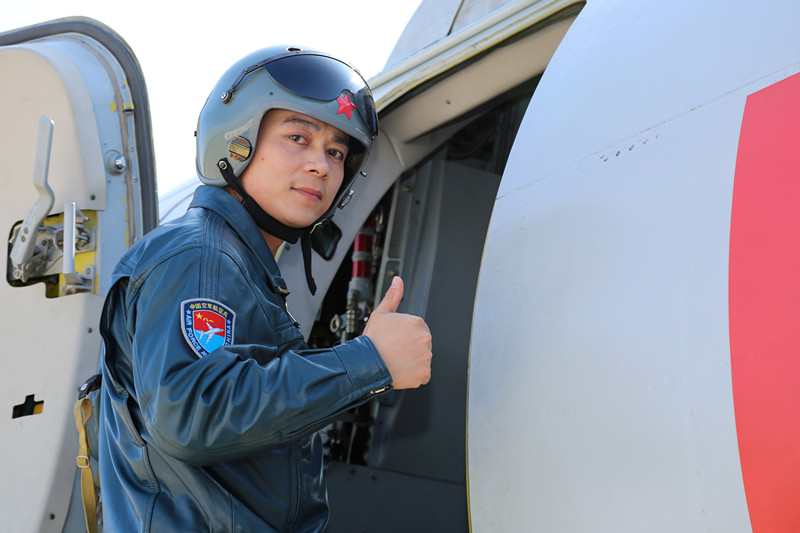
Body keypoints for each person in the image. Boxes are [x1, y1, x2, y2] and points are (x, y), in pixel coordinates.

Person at [97, 46, 433, 532]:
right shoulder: (201, 254)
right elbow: (191, 411)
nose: (321, 165)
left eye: (336, 151)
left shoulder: (239, 264)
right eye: (298, 137)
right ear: (236, 141)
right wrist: (369, 361)